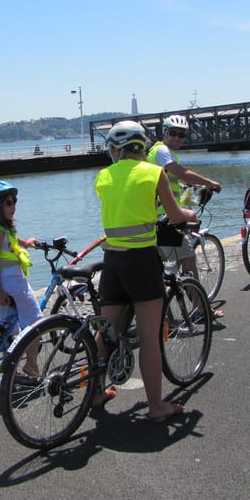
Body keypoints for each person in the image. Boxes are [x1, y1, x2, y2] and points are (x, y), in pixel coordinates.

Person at [95, 121, 198, 421]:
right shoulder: (153, 173)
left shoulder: (102, 177)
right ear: (142, 147)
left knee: (106, 335)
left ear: (115, 150)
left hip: (112, 262)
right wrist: (190, 215)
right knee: (150, 337)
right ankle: (156, 406)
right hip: (141, 261)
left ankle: (96, 393)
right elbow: (175, 214)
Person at [147, 114, 223, 315]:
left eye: (182, 135)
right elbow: (179, 172)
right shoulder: (163, 151)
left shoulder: (161, 152)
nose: (177, 138)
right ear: (164, 132)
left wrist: (185, 186)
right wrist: (209, 182)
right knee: (188, 260)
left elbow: (170, 179)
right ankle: (199, 308)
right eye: (173, 133)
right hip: (167, 220)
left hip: (154, 218)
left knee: (161, 267)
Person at [0, 180, 41, 376]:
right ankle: (31, 366)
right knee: (35, 322)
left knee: (7, 326)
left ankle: (10, 367)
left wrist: (26, 243)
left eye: (14, 202)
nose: (13, 206)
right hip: (11, 281)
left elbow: (11, 239)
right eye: (8, 203)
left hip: (2, 282)